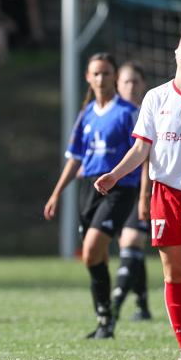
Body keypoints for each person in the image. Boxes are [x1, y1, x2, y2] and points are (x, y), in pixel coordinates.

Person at [95, 30, 181, 360]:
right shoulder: (156, 98)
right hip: (165, 193)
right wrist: (115, 174)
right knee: (173, 273)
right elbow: (142, 147)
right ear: (176, 52)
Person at [44, 53, 141, 339]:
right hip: (89, 188)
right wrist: (56, 193)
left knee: (91, 248)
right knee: (91, 257)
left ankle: (110, 313)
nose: (101, 79)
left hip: (119, 188)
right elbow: (75, 158)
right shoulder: (85, 114)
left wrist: (144, 191)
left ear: (114, 76)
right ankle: (105, 319)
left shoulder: (127, 112)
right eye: (95, 74)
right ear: (88, 77)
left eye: (106, 73)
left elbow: (142, 152)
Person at [110, 62, 153, 321]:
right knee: (129, 245)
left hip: (143, 186)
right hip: (119, 188)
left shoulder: (149, 113)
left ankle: (114, 303)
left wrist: (146, 193)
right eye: (125, 81)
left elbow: (147, 155)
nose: (130, 86)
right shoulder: (114, 114)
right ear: (117, 85)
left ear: (144, 84)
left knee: (132, 241)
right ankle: (143, 304)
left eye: (135, 81)